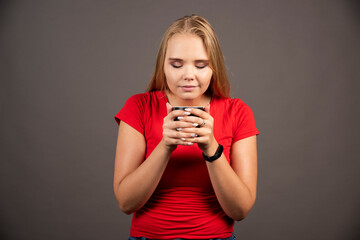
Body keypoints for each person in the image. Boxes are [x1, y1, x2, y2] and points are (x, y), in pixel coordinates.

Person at [113, 15, 259, 240]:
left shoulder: (237, 112)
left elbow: (240, 210)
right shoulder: (139, 107)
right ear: (163, 65)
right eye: (176, 64)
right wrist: (165, 146)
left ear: (214, 68)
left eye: (201, 65)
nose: (188, 75)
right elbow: (126, 202)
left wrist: (211, 148)